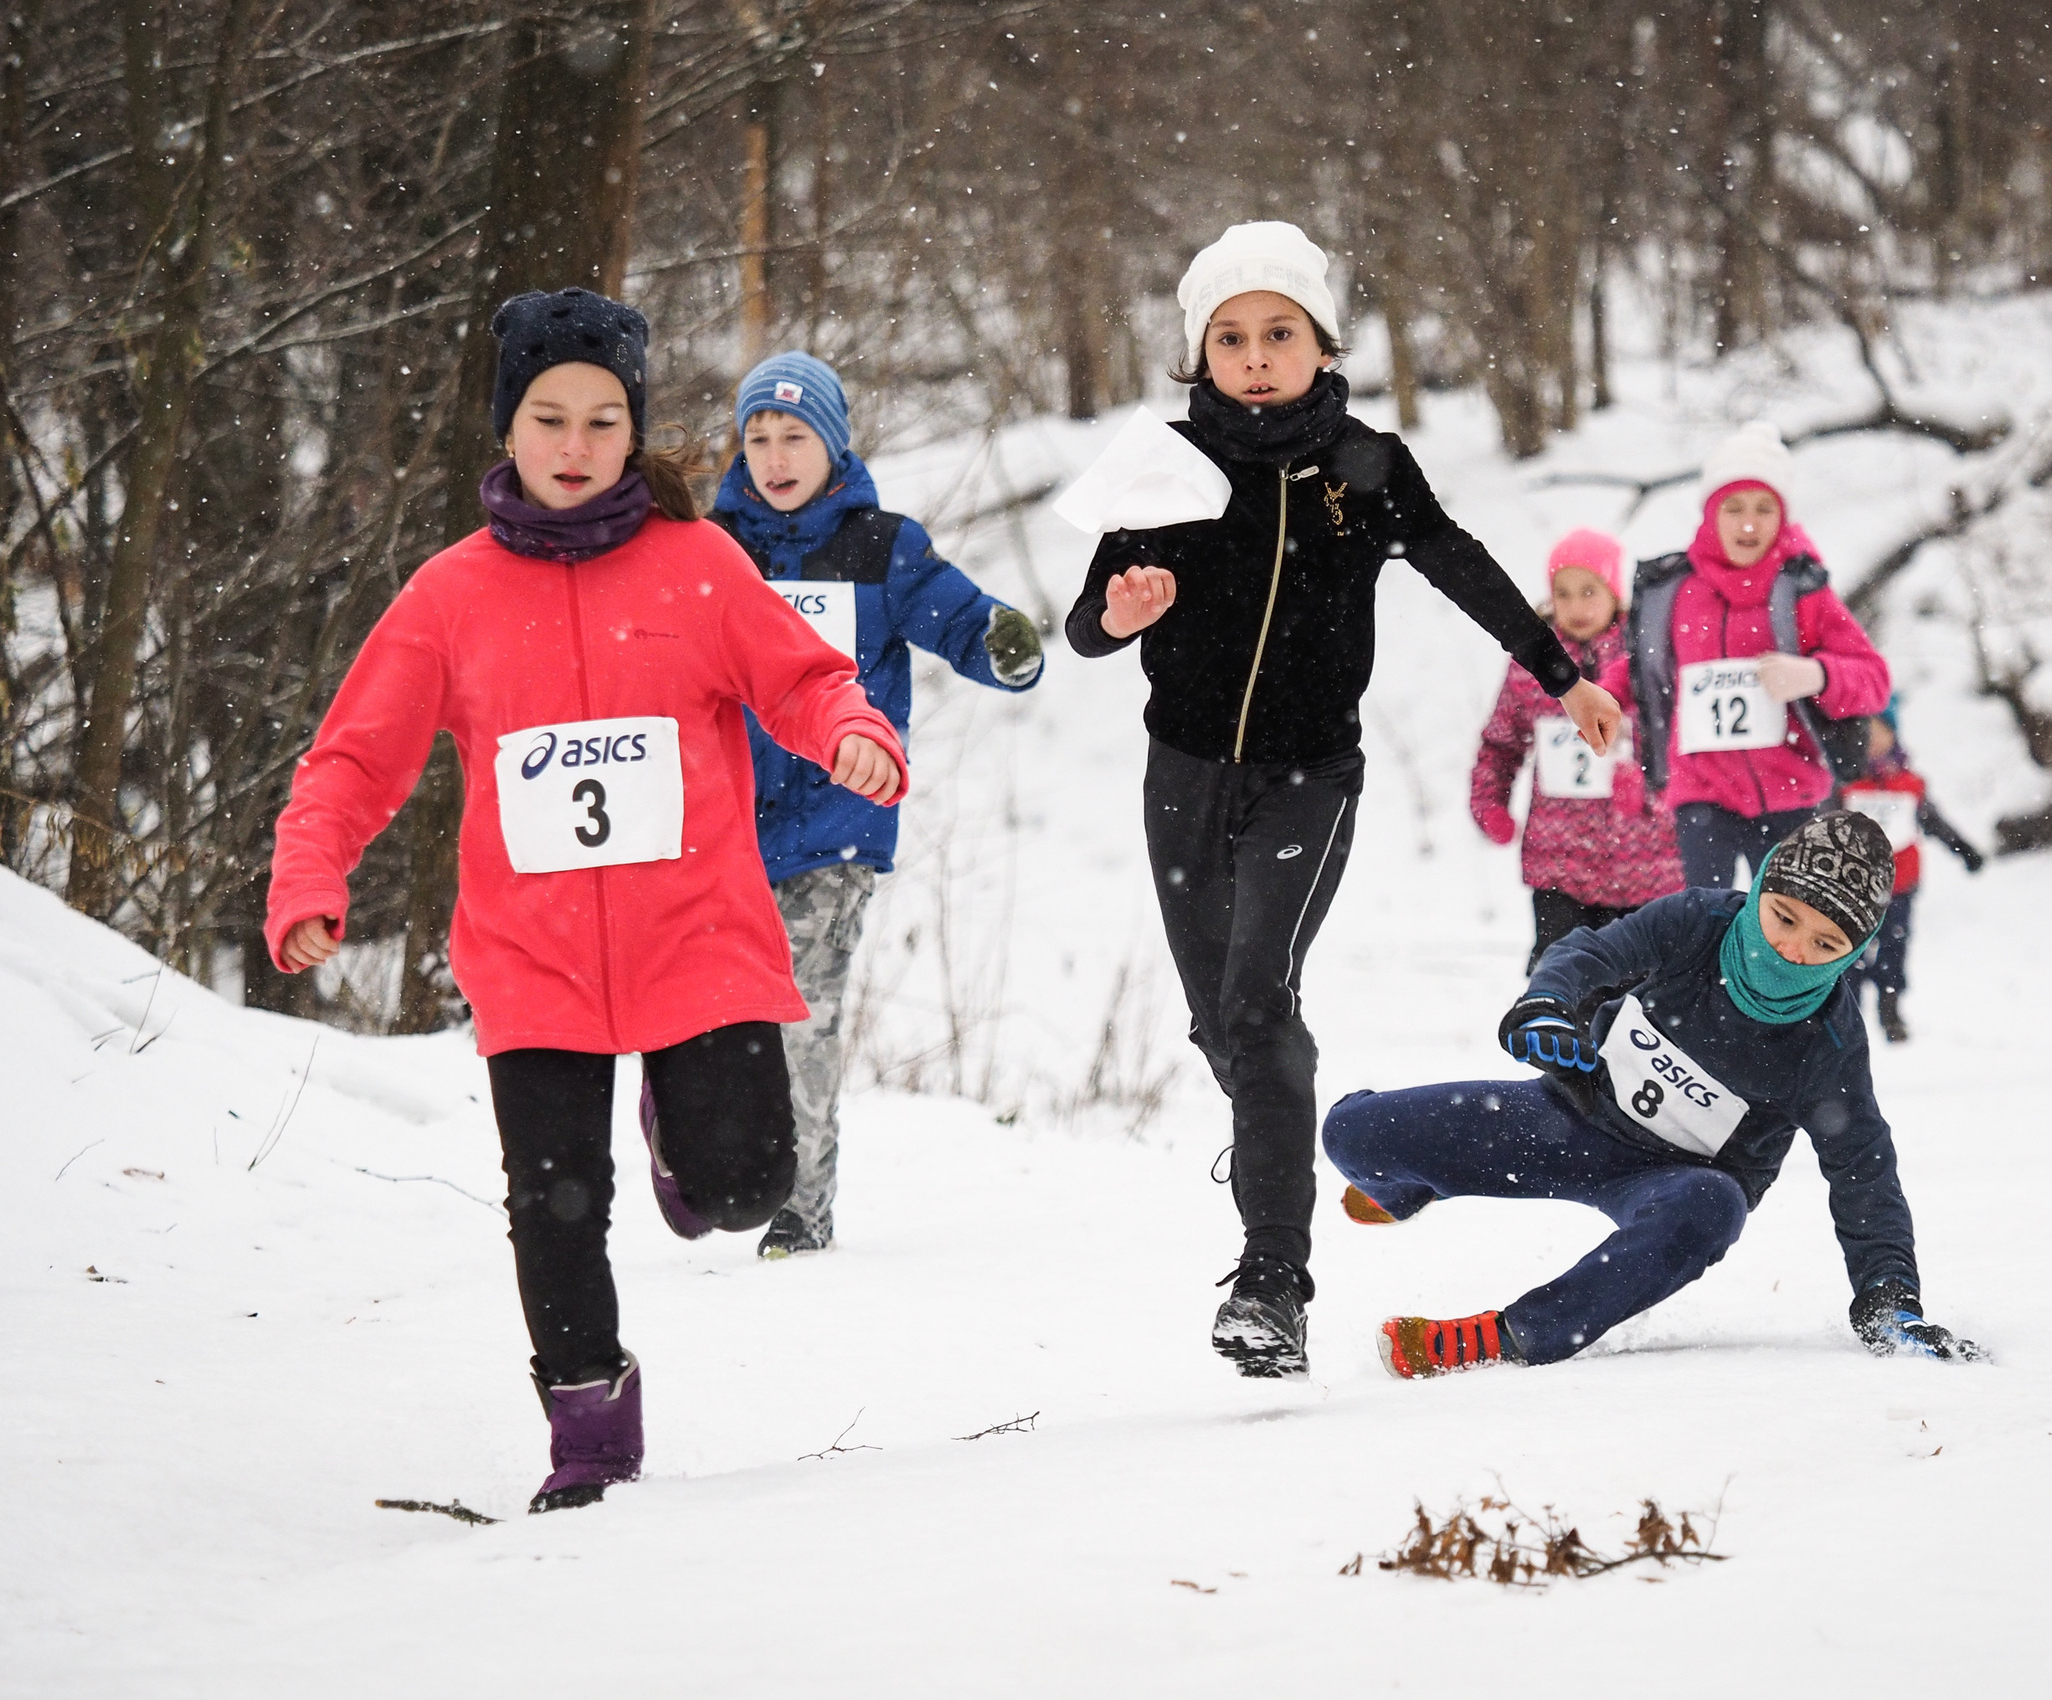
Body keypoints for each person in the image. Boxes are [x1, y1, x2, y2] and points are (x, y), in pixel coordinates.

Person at [264, 290, 909, 1513]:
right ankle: (590, 1433)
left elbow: (803, 677)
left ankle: (681, 1134)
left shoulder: (698, 565)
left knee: (747, 1188)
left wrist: (851, 731)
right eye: (548, 418)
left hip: (697, 936)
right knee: (555, 1206)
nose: (574, 446)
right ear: (507, 428)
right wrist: (311, 873)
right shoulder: (449, 595)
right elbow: (352, 759)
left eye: (603, 421)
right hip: (532, 957)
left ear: (634, 432)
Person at [1064, 221, 1622, 1378]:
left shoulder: (1364, 465)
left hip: (1308, 778)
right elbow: (1085, 623)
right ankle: (1274, 1126)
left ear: (1321, 345)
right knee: (1224, 1023)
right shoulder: (1161, 465)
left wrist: (1560, 675)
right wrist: (1118, 615)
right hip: (1182, 776)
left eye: (1279, 333)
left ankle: (1272, 1281)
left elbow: (1458, 562)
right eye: (1230, 338)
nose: (1255, 356)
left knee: (1257, 1005)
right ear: (1199, 355)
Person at [1323, 812, 1983, 1377]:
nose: (1792, 949)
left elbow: (1865, 1174)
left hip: (1675, 1183)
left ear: (1853, 951)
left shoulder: (1829, 1043)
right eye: (1783, 917)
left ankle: (1511, 1335)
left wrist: (1890, 1300)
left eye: (1825, 943)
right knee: (1350, 1133)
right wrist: (1548, 1005)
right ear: (1760, 888)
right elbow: (1592, 952)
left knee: (1714, 1207)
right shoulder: (1701, 920)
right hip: (1567, 1118)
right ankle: (1412, 1185)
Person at [709, 352, 1045, 1258]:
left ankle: (800, 1206)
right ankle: (700, 1156)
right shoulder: (711, 550)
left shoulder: (881, 547)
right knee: (711, 1019)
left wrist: (999, 641)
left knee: (802, 1013)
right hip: (722, 825)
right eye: (758, 438)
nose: (776, 456)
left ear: (834, 444)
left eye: (795, 436)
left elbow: (955, 615)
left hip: (835, 824)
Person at [1625, 421, 1891, 889]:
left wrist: (1816, 675)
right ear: (1710, 514)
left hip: (1790, 792)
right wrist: (1599, 700)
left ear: (1783, 517)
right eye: (1734, 508)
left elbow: (1873, 679)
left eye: (1764, 509)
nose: (1749, 524)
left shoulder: (1801, 592)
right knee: (1702, 919)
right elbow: (1639, 669)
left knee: (1784, 923)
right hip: (1700, 794)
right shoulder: (1676, 592)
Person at [1469, 528, 1683, 971]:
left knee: (1636, 987)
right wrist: (1490, 802)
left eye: (1589, 591)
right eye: (1563, 593)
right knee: (1561, 979)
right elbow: (1502, 742)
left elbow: (1680, 737)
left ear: (1614, 593)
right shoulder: (1533, 663)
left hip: (1645, 861)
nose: (1576, 606)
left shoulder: (1648, 654)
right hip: (1558, 863)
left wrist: (1647, 782)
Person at [1838, 707, 1986, 1042]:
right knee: (1849, 952)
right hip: (1853, 888)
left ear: (1893, 735)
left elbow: (1934, 822)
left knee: (1894, 948)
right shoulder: (1845, 782)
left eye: (1880, 731)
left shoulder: (1910, 784)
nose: (1873, 740)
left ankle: (1890, 1009)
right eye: (1865, 732)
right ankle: (1847, 1016)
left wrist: (1964, 849)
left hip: (1899, 885)